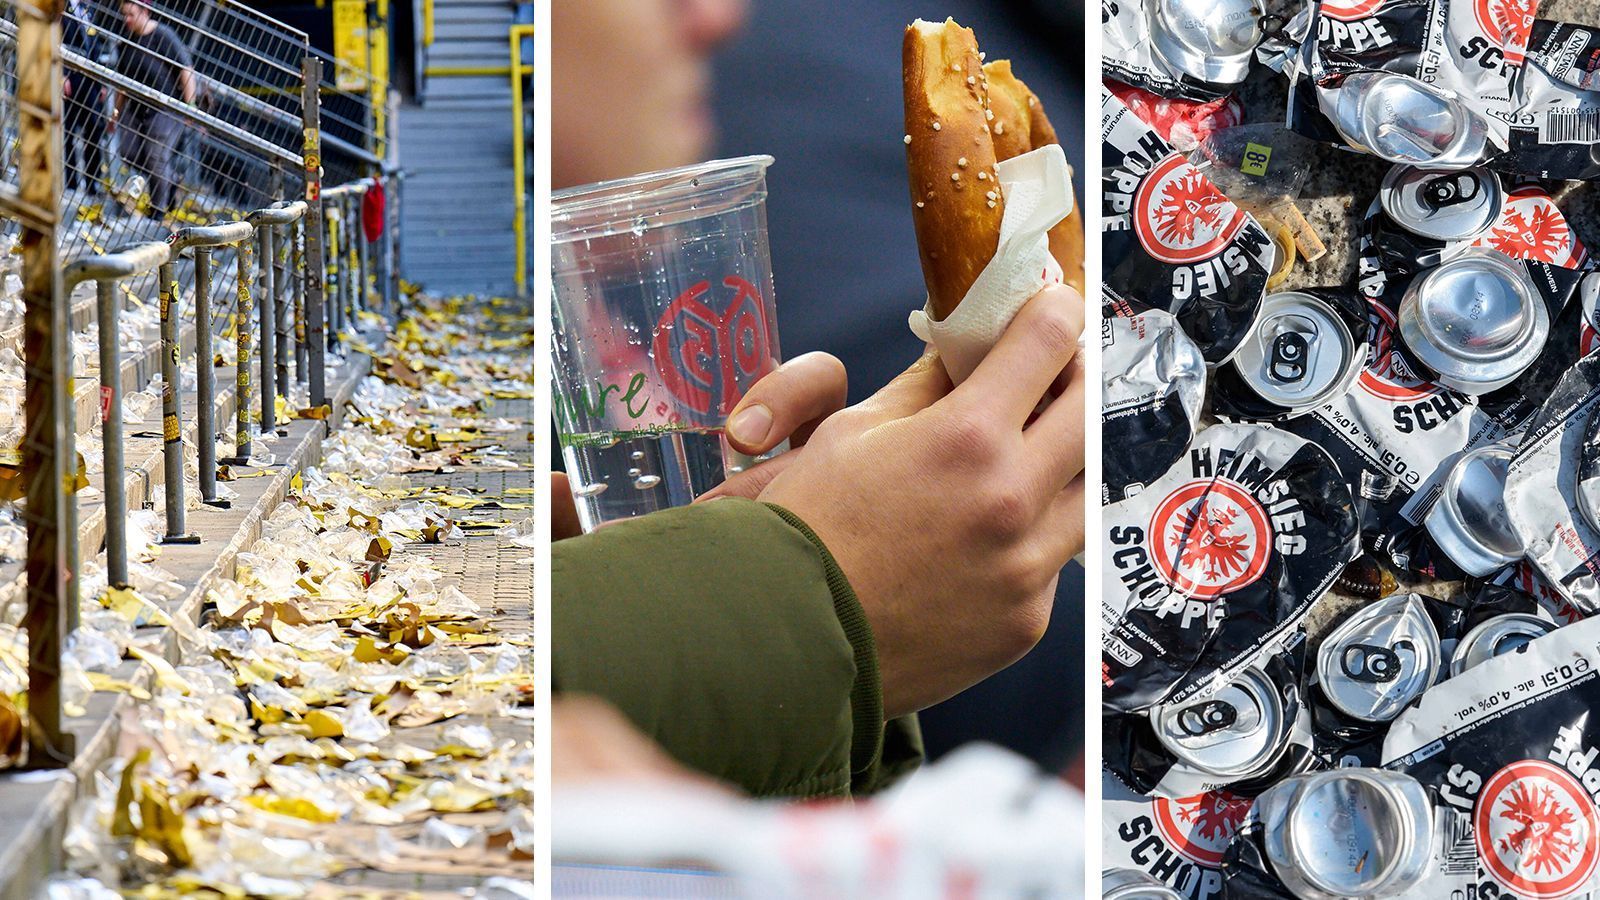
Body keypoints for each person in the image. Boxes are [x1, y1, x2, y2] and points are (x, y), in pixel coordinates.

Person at [110, 0, 194, 217]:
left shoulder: (163, 36)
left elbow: (186, 70)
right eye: (124, 15)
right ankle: (170, 180)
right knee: (128, 151)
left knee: (156, 155)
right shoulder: (126, 41)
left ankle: (158, 209)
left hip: (165, 108)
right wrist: (115, 113)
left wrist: (190, 106)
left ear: (145, 12)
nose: (126, 19)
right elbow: (122, 83)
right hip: (136, 108)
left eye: (131, 14)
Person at [62, 0, 107, 196]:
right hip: (70, 77)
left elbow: (95, 47)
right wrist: (61, 74)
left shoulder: (88, 10)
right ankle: (70, 182)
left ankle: (92, 182)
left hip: (90, 81)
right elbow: (56, 40)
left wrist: (101, 81)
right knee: (68, 131)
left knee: (94, 130)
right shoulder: (61, 6)